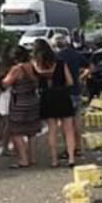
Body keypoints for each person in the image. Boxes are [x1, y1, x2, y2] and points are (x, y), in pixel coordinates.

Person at [32, 40, 76, 168]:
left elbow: (34, 82)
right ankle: (71, 158)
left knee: (52, 130)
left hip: (47, 96)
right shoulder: (60, 63)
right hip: (62, 95)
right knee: (68, 129)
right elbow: (70, 82)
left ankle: (54, 160)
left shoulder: (35, 65)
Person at [2, 47, 41, 169]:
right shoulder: (33, 66)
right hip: (33, 101)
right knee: (32, 131)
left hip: (19, 103)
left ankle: (23, 160)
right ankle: (33, 158)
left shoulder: (17, 69)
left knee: (16, 131)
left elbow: (6, 83)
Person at [53, 34, 90, 157]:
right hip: (76, 91)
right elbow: (90, 66)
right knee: (77, 120)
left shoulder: (57, 57)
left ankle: (69, 149)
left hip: (64, 93)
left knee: (66, 124)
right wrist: (81, 77)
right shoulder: (75, 54)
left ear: (55, 45)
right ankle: (79, 147)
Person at [0, 47, 15, 157]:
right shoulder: (10, 69)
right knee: (9, 124)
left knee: (5, 123)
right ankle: (5, 147)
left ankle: (5, 146)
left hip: (3, 97)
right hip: (9, 96)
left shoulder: (1, 68)